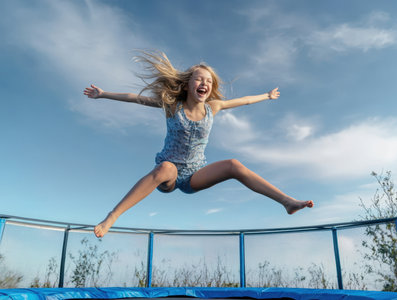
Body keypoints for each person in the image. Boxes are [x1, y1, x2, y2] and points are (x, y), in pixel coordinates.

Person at [83, 51, 313, 238]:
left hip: (195, 173)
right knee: (166, 168)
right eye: (199, 79)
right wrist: (103, 94)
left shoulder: (213, 107)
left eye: (209, 81)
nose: (205, 83)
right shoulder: (173, 105)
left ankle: (287, 201)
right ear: (187, 85)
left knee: (233, 164)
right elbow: (136, 98)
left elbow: (244, 101)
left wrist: (267, 95)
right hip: (169, 173)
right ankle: (112, 216)